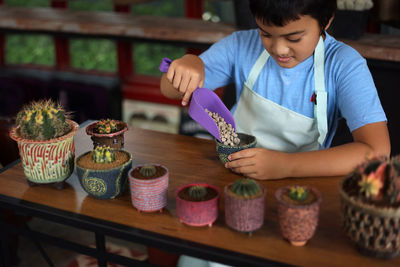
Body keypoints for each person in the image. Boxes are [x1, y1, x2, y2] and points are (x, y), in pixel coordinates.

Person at [160, 0, 390, 181]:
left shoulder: (344, 66)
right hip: (230, 172)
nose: (279, 49)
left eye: (294, 38)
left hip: (299, 183)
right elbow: (169, 90)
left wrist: (285, 166)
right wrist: (190, 64)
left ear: (326, 21)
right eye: (266, 34)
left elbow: (376, 152)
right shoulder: (241, 45)